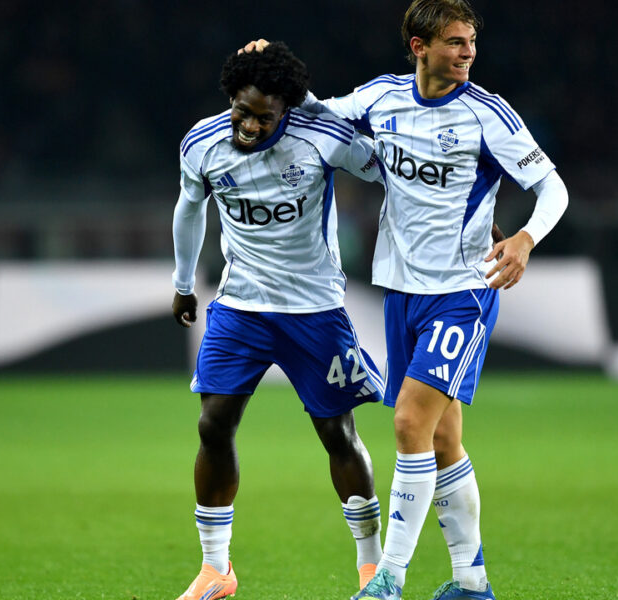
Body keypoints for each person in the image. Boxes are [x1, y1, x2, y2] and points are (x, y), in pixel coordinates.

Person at [243, 2, 569, 599]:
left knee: (409, 422)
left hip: (462, 290)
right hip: (402, 292)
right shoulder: (383, 98)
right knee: (444, 440)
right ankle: (472, 583)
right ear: (419, 47)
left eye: (471, 41)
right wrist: (273, 68)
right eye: (454, 42)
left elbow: (552, 187)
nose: (468, 52)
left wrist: (524, 237)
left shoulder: (487, 114)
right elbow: (319, 113)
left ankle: (387, 579)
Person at [171, 41, 388, 600]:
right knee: (212, 426)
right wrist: (181, 282)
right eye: (243, 111)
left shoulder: (319, 136)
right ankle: (216, 570)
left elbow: (384, 169)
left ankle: (372, 568)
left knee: (337, 434)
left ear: (289, 109)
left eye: (266, 116)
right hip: (240, 306)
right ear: (231, 99)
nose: (251, 125)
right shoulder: (202, 142)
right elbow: (189, 207)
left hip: (314, 309)